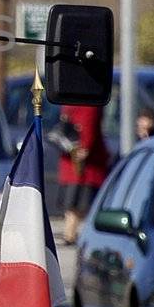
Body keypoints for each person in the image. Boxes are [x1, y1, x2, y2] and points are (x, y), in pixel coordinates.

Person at [57, 102, 110, 245]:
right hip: (82, 165)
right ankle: (71, 234)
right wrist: (85, 147)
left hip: (76, 162)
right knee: (79, 203)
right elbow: (88, 126)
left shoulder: (69, 101)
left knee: (75, 203)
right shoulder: (89, 102)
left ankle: (70, 234)